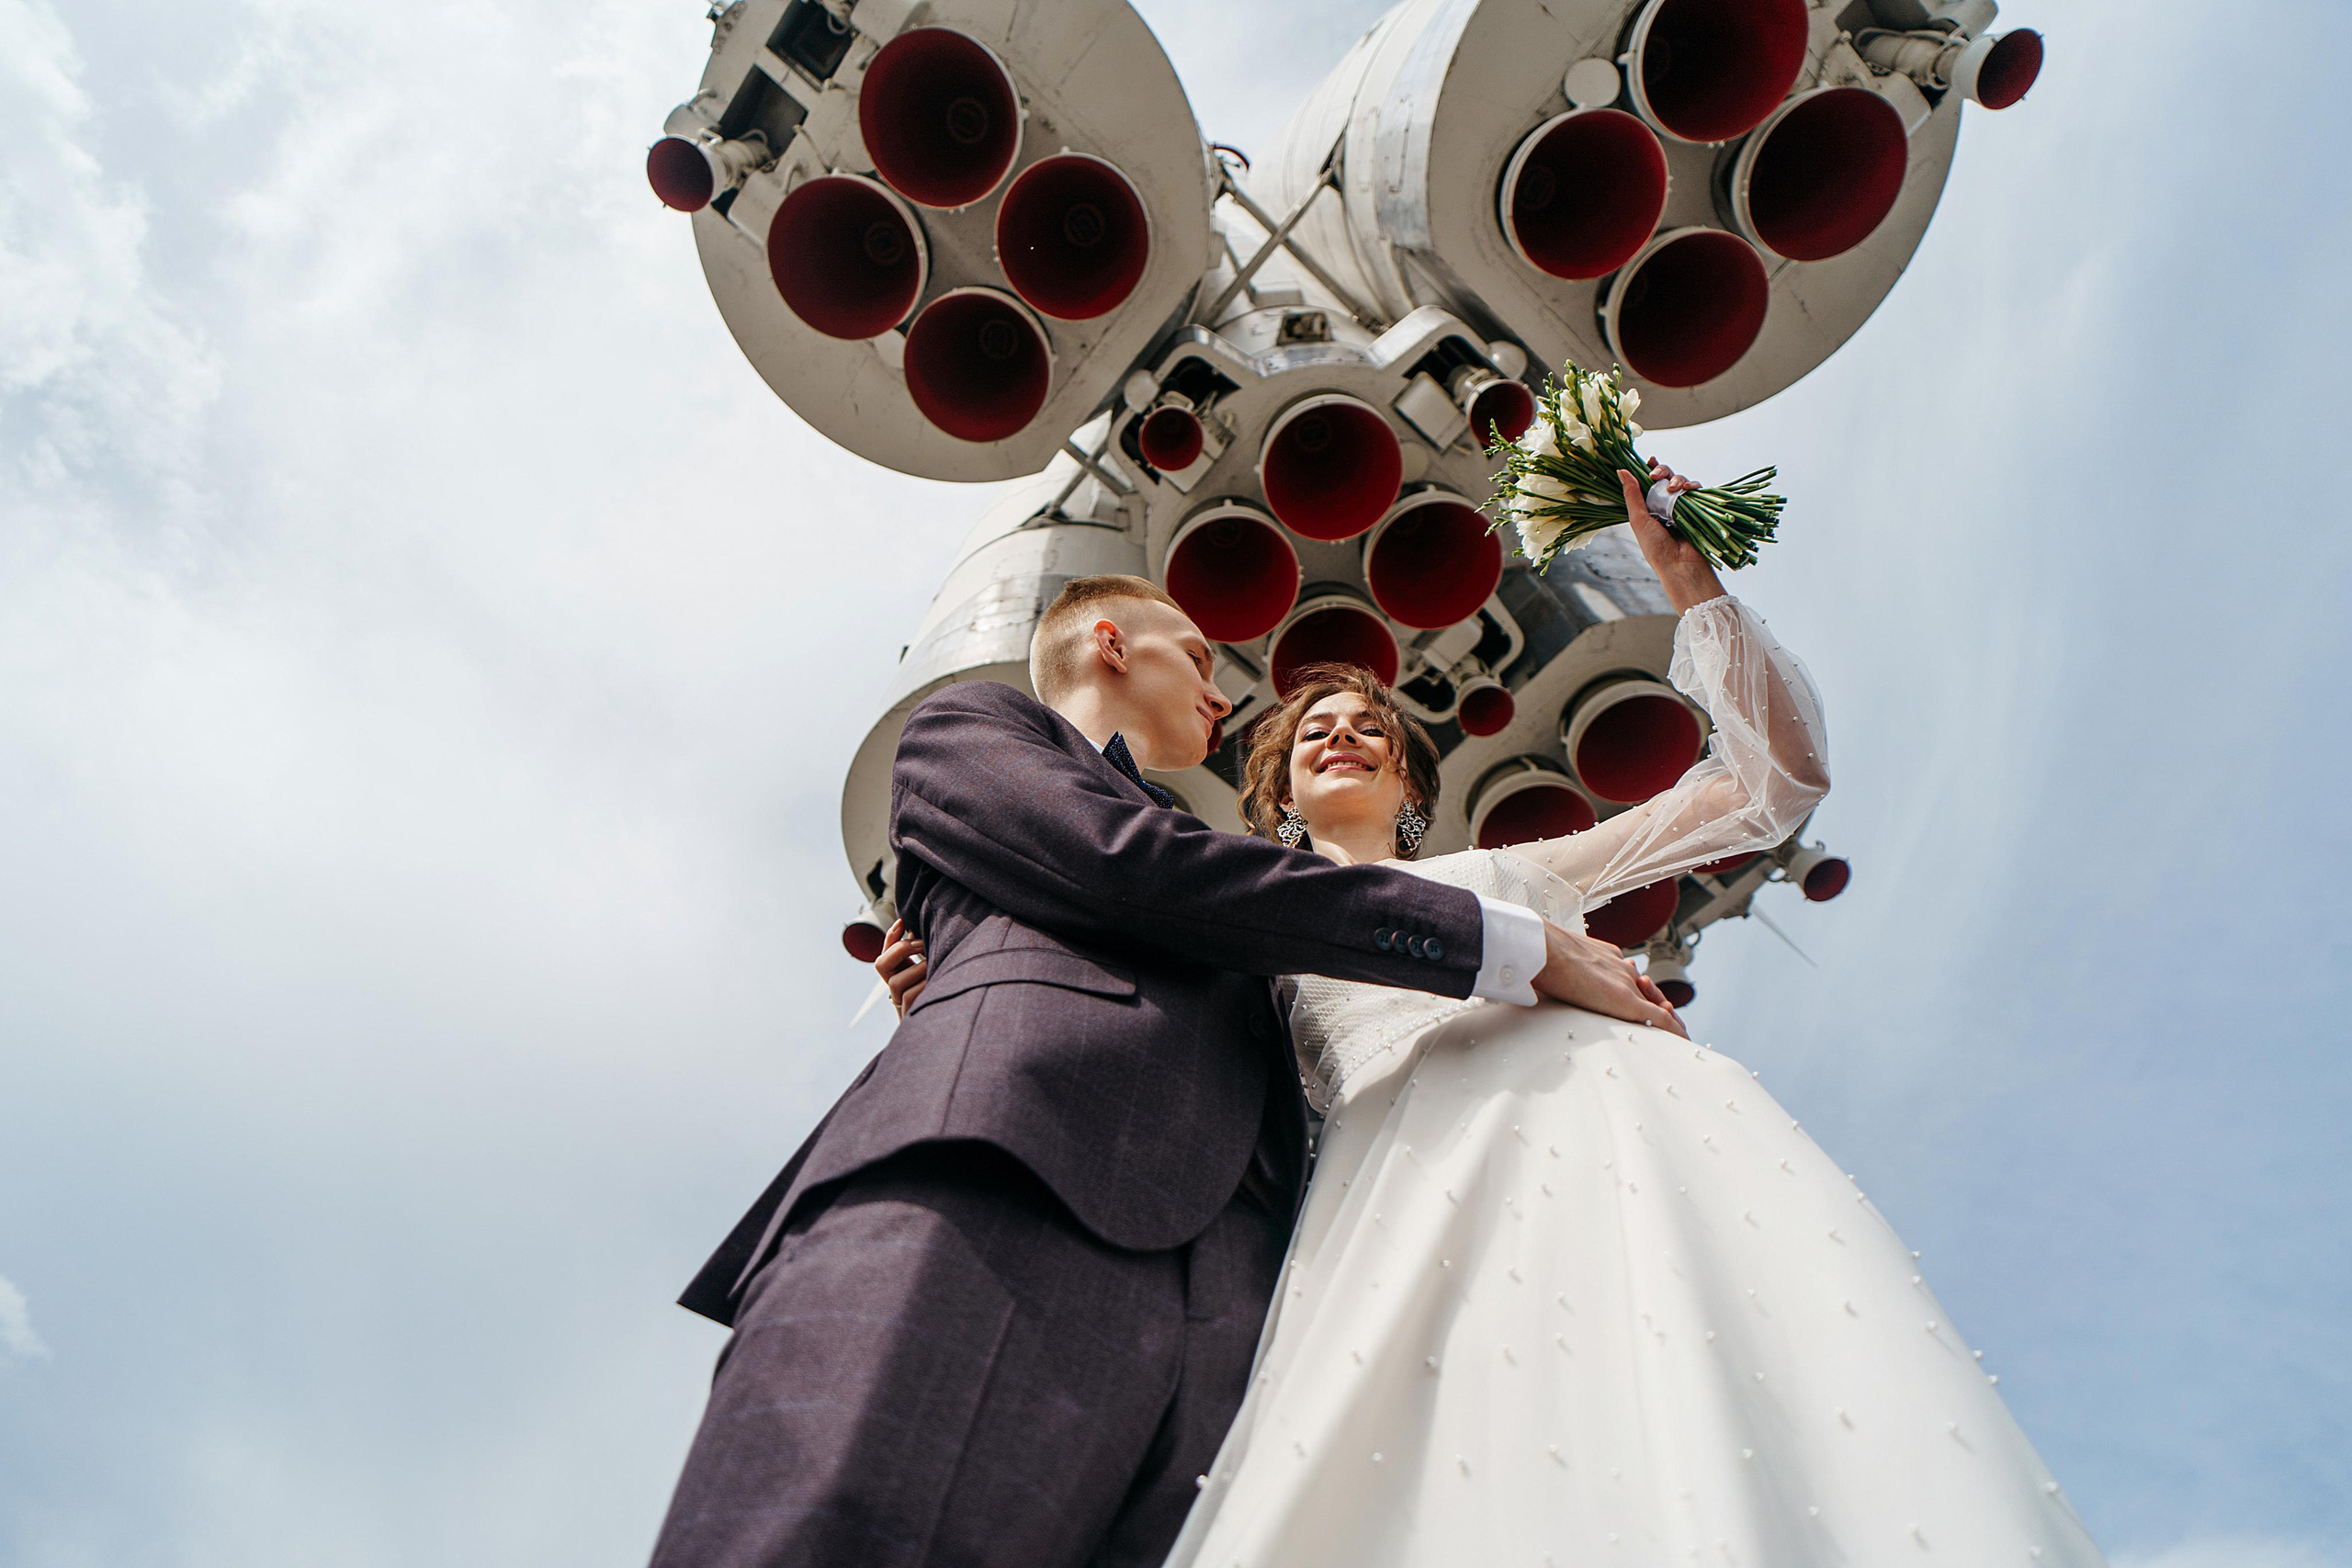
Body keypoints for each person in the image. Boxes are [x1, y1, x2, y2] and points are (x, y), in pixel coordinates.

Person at [1141, 468, 2112, 1565]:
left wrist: (1691, 586)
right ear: (1277, 796)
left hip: (1611, 1129)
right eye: (1314, 729)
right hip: (1404, 1184)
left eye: (1371, 727)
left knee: (1696, 1361)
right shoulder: (1254, 943)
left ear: (1409, 787)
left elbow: (1772, 787)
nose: (1343, 736)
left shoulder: (1511, 872)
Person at [648, 572, 1676, 1568]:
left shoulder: (1225, 882)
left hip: (1235, 1304)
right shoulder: (972, 727)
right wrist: (1504, 944)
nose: (1221, 694)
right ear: (1110, 644)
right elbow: (1128, 866)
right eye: (1198, 656)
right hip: (1007, 1179)